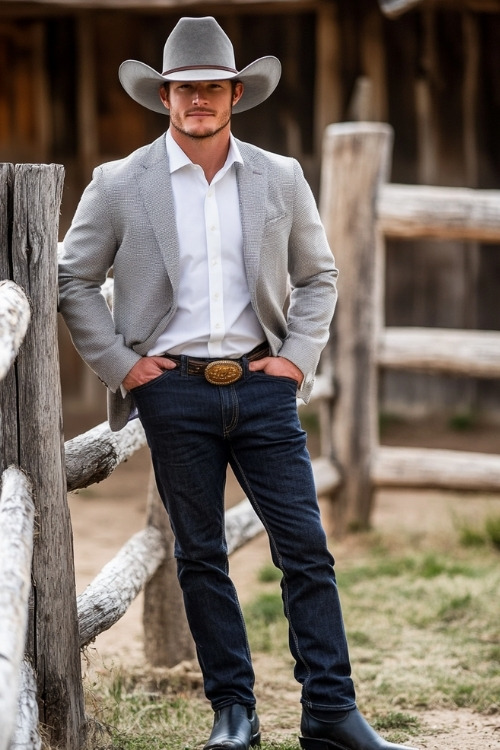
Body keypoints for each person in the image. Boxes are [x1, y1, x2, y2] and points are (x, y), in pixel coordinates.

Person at [58, 16, 419, 750]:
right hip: (173, 392)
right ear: (165, 96)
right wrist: (126, 369)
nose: (199, 100)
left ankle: (331, 711)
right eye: (185, 88)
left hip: (262, 386)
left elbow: (320, 276)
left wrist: (296, 360)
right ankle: (235, 714)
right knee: (200, 555)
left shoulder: (279, 177)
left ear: (234, 93)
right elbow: (71, 279)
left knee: (306, 551)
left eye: (211, 88)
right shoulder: (120, 184)